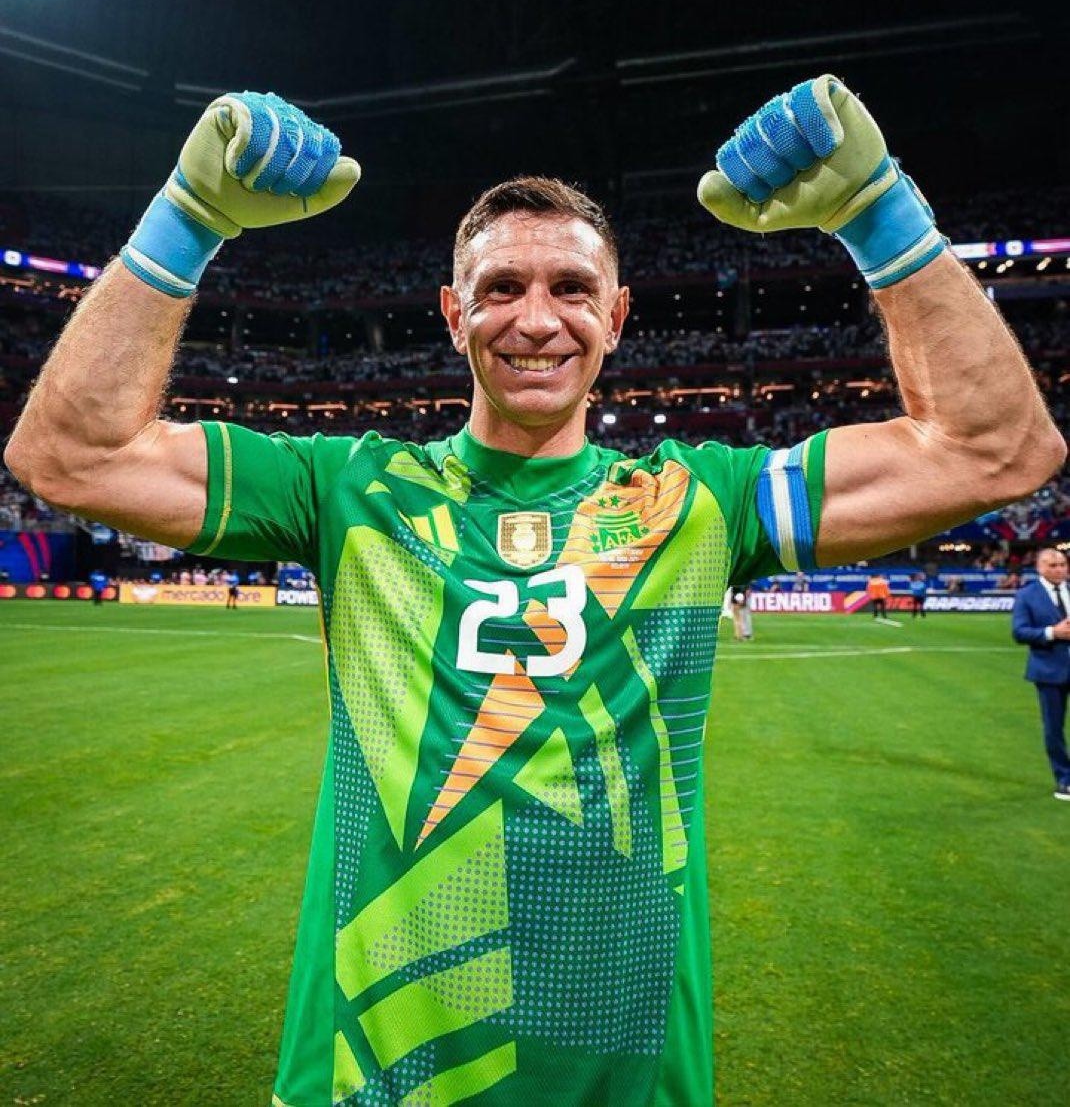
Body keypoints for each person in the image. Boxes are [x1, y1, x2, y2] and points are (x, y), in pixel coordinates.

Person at [5, 79, 1064, 1106]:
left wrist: (880, 213)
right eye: (501, 288)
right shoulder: (349, 490)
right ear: (451, 314)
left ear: (618, 314)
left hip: (623, 1069)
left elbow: (993, 450)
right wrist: (184, 220)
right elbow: (70, 457)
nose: (535, 317)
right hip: (371, 1068)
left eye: (568, 288)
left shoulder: (699, 500)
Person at [1011, 547, 1070, 800]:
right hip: (1048, 671)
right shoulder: (1027, 595)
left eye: (1062, 564)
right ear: (1039, 568)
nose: (1059, 569)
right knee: (1053, 728)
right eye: (1052, 565)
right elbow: (1019, 632)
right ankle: (1064, 779)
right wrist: (1051, 633)